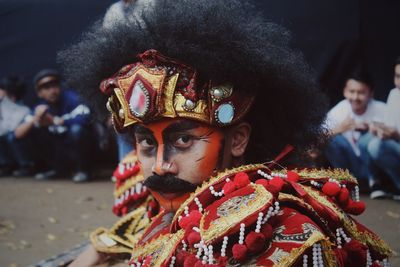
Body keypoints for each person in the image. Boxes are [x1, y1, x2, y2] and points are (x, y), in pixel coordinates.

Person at [60, 0, 392, 265]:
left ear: (238, 140)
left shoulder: (282, 231)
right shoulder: (166, 212)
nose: (161, 166)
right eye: (147, 143)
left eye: (183, 140)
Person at [16, 69, 92, 182]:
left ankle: (83, 171)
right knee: (34, 131)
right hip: (60, 151)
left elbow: (87, 118)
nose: (52, 91)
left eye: (55, 86)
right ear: (39, 93)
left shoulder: (72, 99)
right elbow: (18, 134)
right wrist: (35, 119)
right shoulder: (40, 107)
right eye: (46, 88)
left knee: (77, 130)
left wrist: (56, 121)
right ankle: (57, 170)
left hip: (80, 148)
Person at [324, 70, 387, 197]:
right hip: (350, 165)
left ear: (371, 94)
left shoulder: (381, 109)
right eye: (352, 91)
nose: (355, 97)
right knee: (331, 138)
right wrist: (339, 129)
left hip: (374, 166)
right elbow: (315, 139)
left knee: (370, 139)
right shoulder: (340, 110)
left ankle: (375, 182)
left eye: (361, 92)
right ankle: (348, 181)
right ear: (345, 91)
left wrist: (375, 130)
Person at [367, 57, 400, 200]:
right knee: (373, 143)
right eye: (398, 76)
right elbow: (390, 125)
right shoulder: (394, 94)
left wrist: (397, 135)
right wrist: (379, 130)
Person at [0, 76, 34, 177]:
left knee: (12, 137)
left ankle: (26, 166)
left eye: (3, 90)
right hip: (5, 135)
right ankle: (5, 165)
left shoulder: (23, 109)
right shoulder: (3, 104)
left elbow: (8, 129)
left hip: (19, 137)